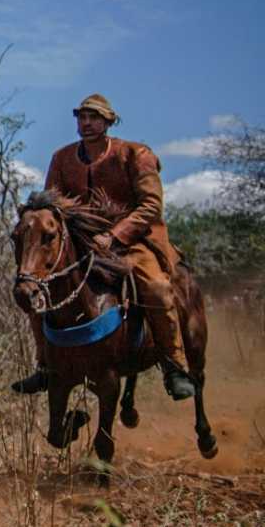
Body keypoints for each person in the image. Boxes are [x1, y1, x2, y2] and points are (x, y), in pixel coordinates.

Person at [11, 93, 197, 401]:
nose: (86, 123)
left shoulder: (135, 154)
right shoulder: (61, 157)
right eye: (82, 118)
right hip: (83, 244)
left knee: (155, 287)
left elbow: (151, 205)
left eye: (94, 117)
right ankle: (46, 366)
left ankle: (173, 365)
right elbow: (50, 206)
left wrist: (114, 235)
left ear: (108, 121)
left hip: (134, 241)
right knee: (38, 286)